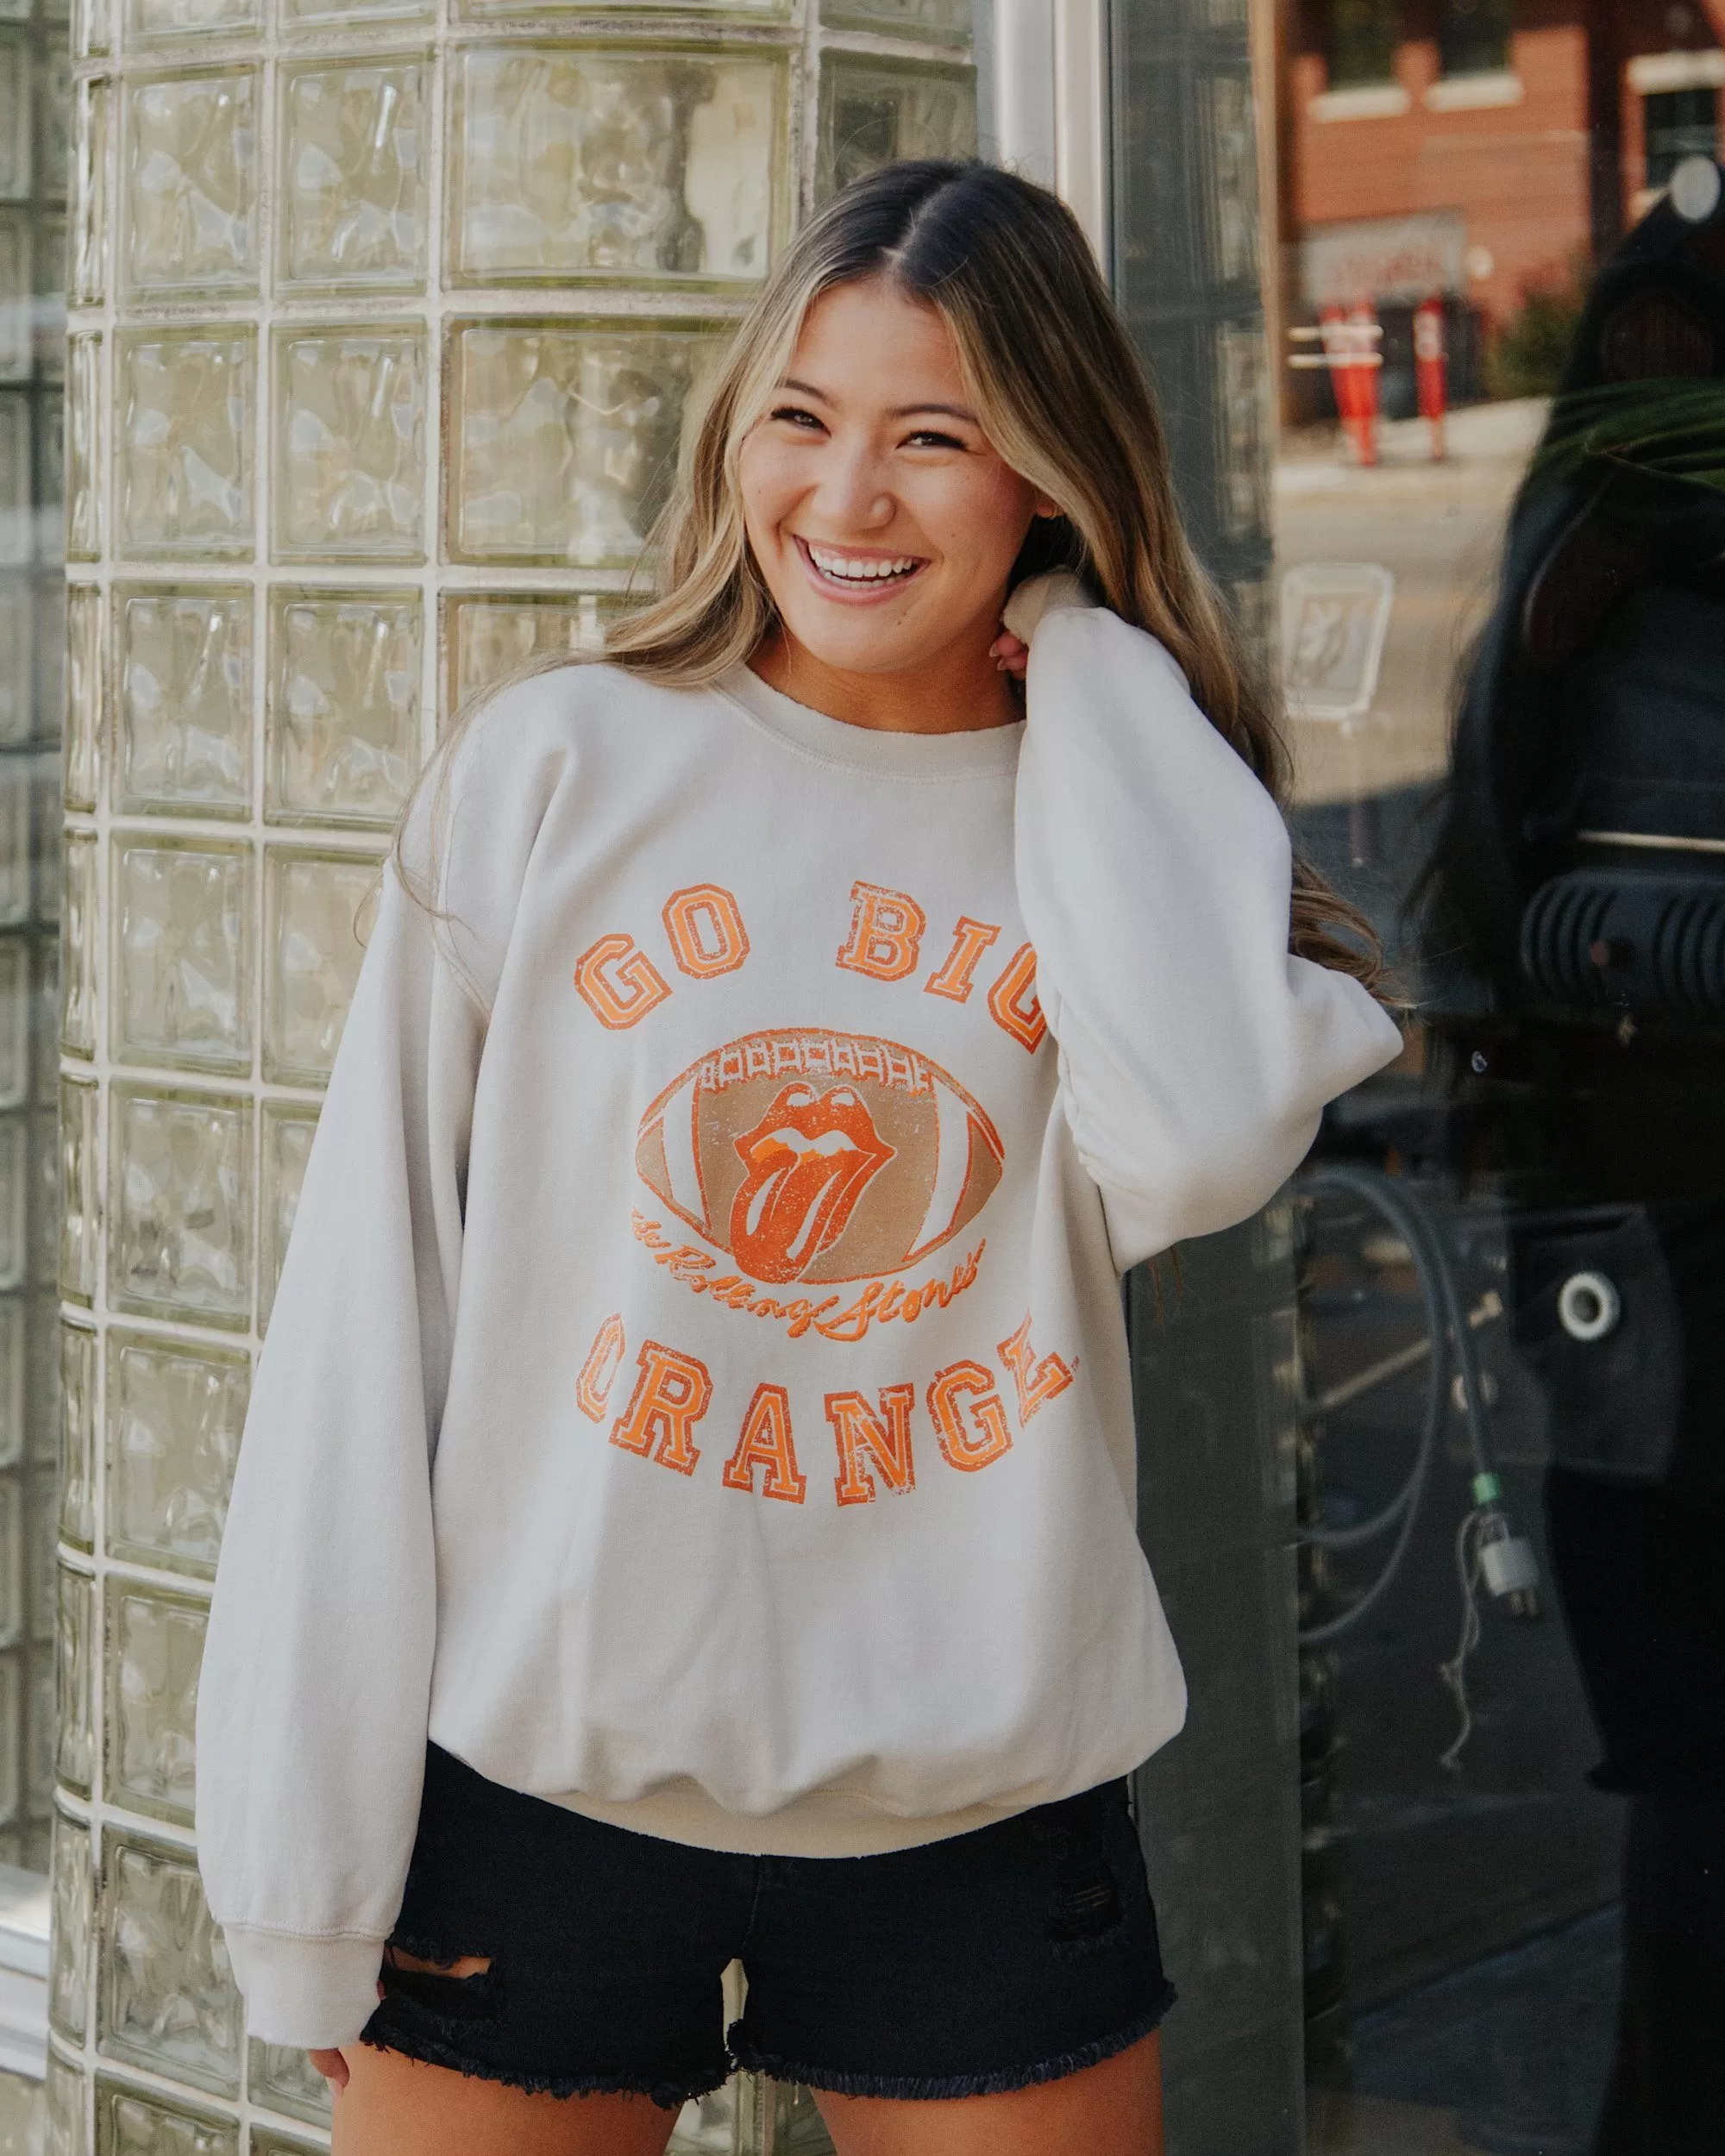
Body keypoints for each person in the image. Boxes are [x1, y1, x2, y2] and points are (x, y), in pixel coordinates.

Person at [195, 159, 1402, 2156]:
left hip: (979, 1807)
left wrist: (1095, 669)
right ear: (738, 433)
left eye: (935, 439)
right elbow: (362, 1319)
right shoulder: (562, 769)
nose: (845, 502)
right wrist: (307, 1869)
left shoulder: (1096, 821)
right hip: (538, 1799)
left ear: (1047, 474)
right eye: (802, 419)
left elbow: (1192, 1134)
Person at [1419, 158, 1725, 2156]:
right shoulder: (1576, 586)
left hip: (1610, 1214)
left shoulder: (1573, 575)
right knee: (1692, 1776)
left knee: (1690, 1778)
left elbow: (1485, 902)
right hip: (1629, 1214)